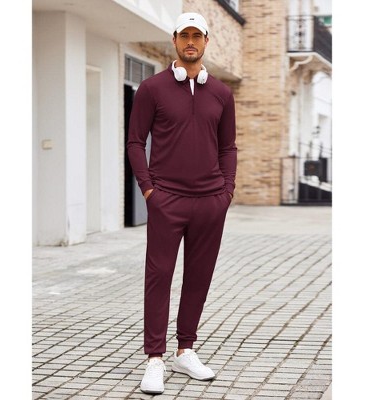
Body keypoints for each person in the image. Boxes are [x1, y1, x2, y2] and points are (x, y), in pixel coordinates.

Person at [127, 12, 237, 395]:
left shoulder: (221, 94)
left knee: (198, 277)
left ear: (206, 41)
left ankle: (185, 350)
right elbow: (135, 142)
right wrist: (149, 190)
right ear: (174, 40)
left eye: (197, 35)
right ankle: (154, 358)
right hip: (167, 200)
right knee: (159, 277)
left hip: (210, 202)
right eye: (184, 35)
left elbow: (228, 147)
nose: (191, 41)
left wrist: (226, 192)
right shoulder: (151, 89)